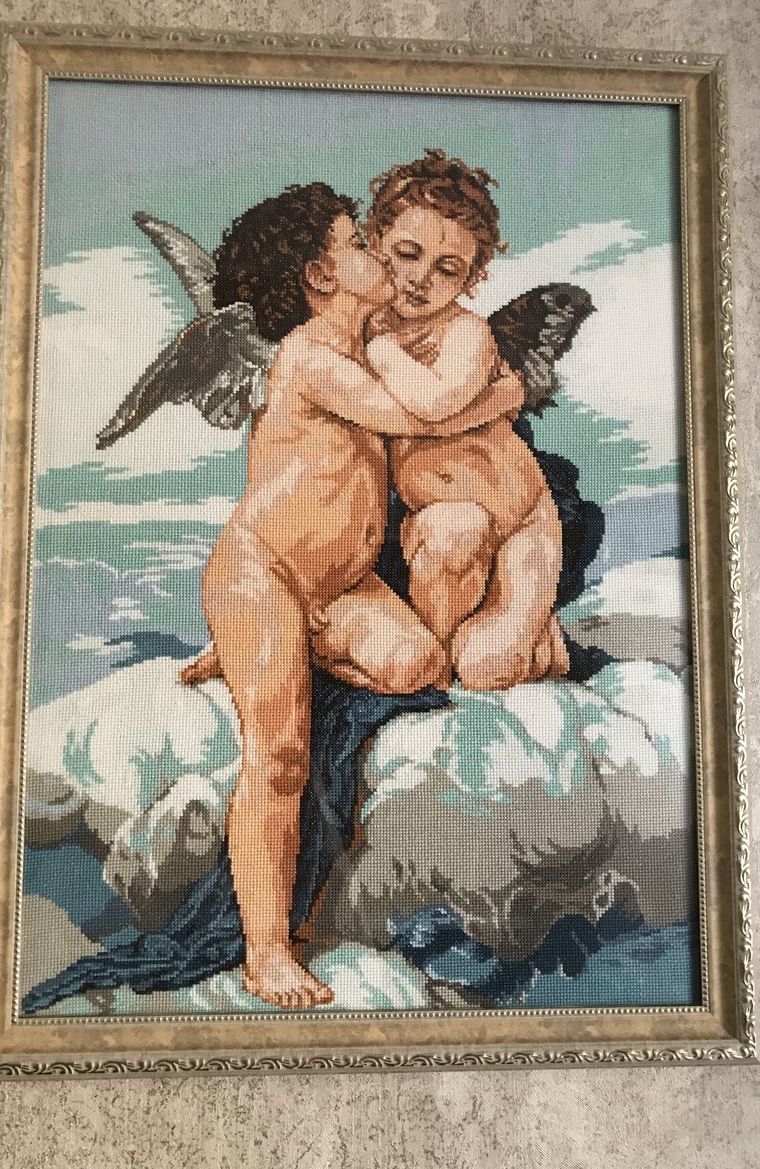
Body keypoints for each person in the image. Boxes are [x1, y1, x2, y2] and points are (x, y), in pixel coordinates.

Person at [196, 183, 528, 1008]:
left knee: (417, 666)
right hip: (265, 574)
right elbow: (414, 420)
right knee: (280, 758)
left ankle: (266, 651)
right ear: (320, 276)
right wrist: (503, 396)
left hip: (341, 585)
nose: (377, 253)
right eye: (357, 244)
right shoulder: (312, 355)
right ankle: (267, 951)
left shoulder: (374, 338)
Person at [366, 149, 570, 689]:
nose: (420, 278)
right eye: (407, 254)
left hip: (521, 524)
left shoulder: (465, 334)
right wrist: (501, 398)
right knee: (455, 531)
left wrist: (382, 352)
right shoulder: (349, 327)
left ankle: (537, 638)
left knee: (489, 668)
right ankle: (439, 663)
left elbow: (436, 403)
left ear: (472, 278)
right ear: (375, 241)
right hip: (443, 529)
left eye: (447, 269)